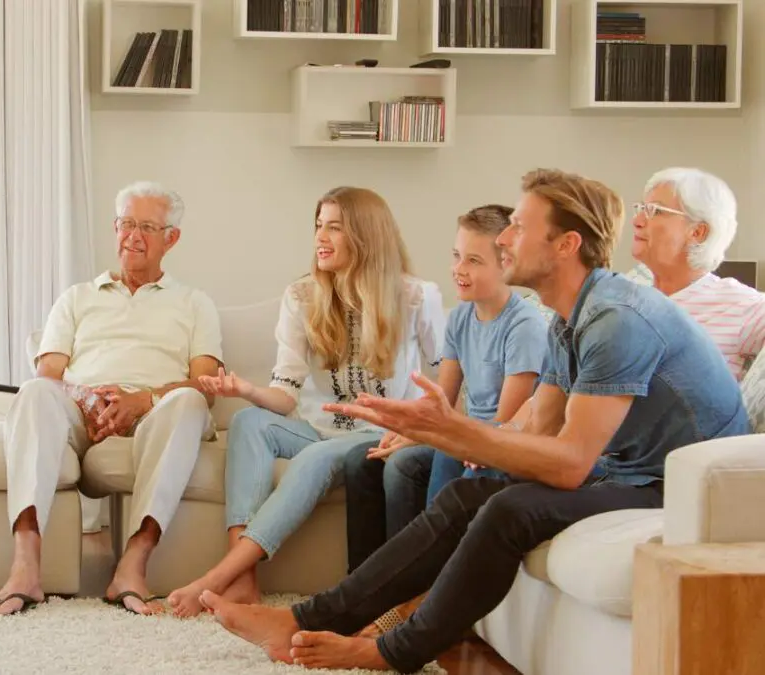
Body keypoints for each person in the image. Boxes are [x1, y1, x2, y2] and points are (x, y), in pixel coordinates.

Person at [197, 168, 749, 673]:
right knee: (470, 495)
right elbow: (534, 431)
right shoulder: (567, 319)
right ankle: (307, 618)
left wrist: (450, 430)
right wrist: (434, 430)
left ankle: (393, 651)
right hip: (627, 471)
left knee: (508, 508)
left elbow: (570, 464)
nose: (504, 238)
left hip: (677, 489)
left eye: (517, 226)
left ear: (566, 245)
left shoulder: (616, 320)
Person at [165, 186, 445, 618]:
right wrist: (246, 391)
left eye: (335, 227)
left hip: (376, 433)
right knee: (248, 422)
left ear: (366, 236)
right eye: (318, 226)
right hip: (315, 428)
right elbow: (285, 393)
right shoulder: (301, 297)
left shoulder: (416, 296)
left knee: (314, 459)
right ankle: (243, 580)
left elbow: (446, 377)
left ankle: (217, 576)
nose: (321, 237)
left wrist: (413, 427)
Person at [0, 181, 222, 617]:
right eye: (126, 223)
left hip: (157, 413)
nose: (133, 235)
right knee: (36, 392)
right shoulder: (77, 297)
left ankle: (131, 568)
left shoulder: (195, 303)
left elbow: (205, 384)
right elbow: (49, 374)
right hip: (81, 409)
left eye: (147, 226)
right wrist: (85, 397)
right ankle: (25, 567)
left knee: (189, 404)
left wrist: (142, 400)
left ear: (172, 238)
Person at [343, 204, 548, 578]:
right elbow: (442, 398)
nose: (458, 269)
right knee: (364, 458)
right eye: (456, 256)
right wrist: (406, 430)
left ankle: (416, 582)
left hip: (495, 445)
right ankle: (367, 580)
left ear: (506, 264)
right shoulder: (460, 318)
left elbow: (503, 425)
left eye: (473, 260)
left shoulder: (525, 327)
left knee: (411, 463)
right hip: (466, 436)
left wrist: (429, 435)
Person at [631, 167, 765, 382]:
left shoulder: (741, 306)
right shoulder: (624, 295)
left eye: (655, 211)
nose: (637, 220)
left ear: (697, 232)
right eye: (641, 208)